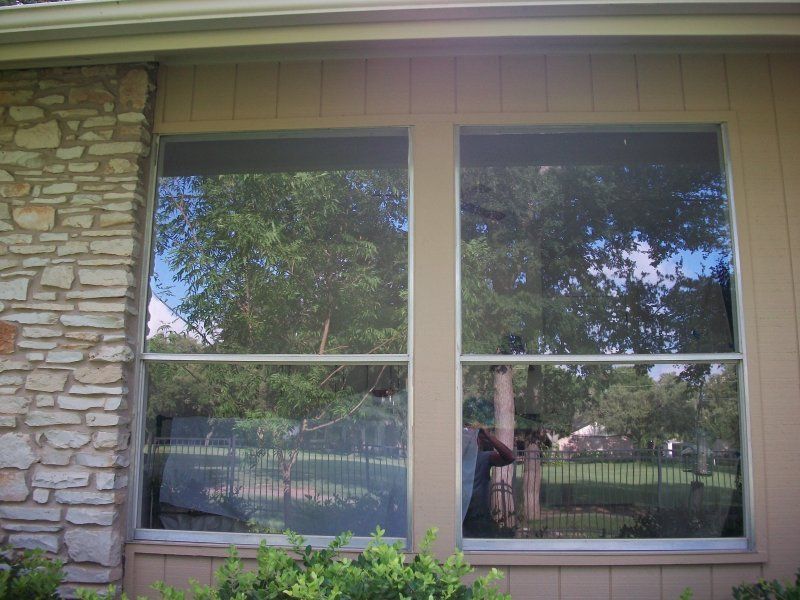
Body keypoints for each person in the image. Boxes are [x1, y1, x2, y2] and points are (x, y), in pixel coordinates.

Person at [462, 427, 516, 537]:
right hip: (459, 516)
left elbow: (509, 457)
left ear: (478, 442)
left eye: (471, 438)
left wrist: (489, 436)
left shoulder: (483, 457)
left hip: (478, 516)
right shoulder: (454, 460)